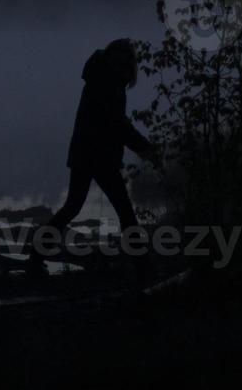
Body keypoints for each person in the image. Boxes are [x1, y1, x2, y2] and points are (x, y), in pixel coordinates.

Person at [33, 39, 159, 268]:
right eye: (119, 62)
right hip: (97, 157)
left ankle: (36, 253)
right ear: (112, 59)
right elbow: (118, 124)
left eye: (124, 63)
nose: (121, 67)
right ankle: (143, 267)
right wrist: (146, 149)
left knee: (74, 207)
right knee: (123, 212)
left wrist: (143, 148)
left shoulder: (103, 78)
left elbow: (117, 124)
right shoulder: (105, 83)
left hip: (88, 154)